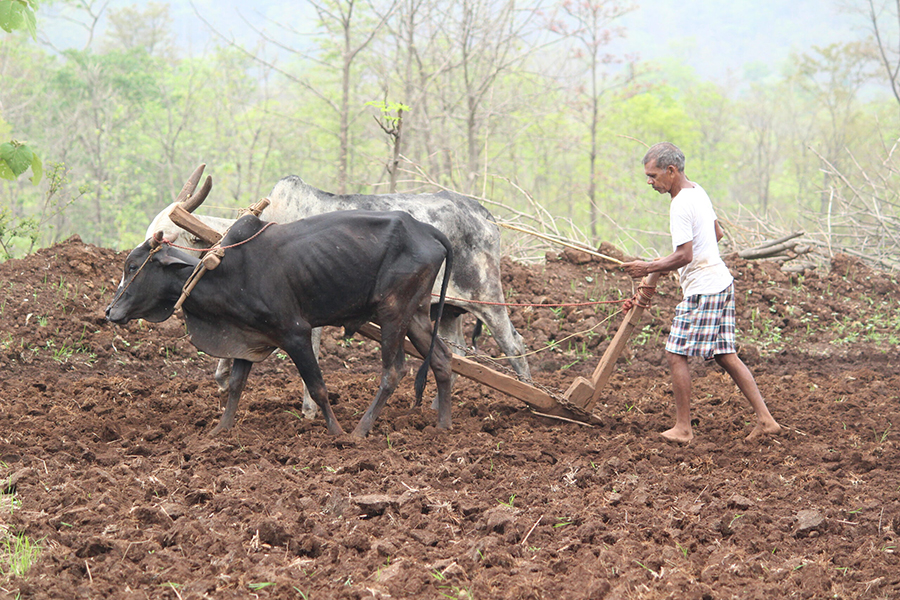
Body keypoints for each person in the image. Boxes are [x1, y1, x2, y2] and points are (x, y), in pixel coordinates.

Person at [621, 142, 782, 443]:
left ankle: (683, 428)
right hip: (721, 282)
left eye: (653, 176)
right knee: (726, 355)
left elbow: (683, 256)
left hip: (704, 290)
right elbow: (716, 233)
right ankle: (766, 420)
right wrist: (652, 277)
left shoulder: (680, 204)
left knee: (675, 353)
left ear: (671, 171)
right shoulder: (698, 190)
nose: (650, 182)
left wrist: (646, 268)